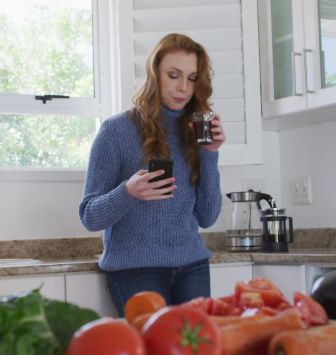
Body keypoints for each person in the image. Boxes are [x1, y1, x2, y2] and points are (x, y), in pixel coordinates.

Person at [78, 33, 225, 317]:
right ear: (154, 74)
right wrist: (128, 192)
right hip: (135, 270)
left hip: (192, 265)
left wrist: (210, 152)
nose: (183, 87)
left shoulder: (196, 131)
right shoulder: (116, 131)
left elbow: (207, 217)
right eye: (173, 75)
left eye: (192, 78)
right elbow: (89, 216)